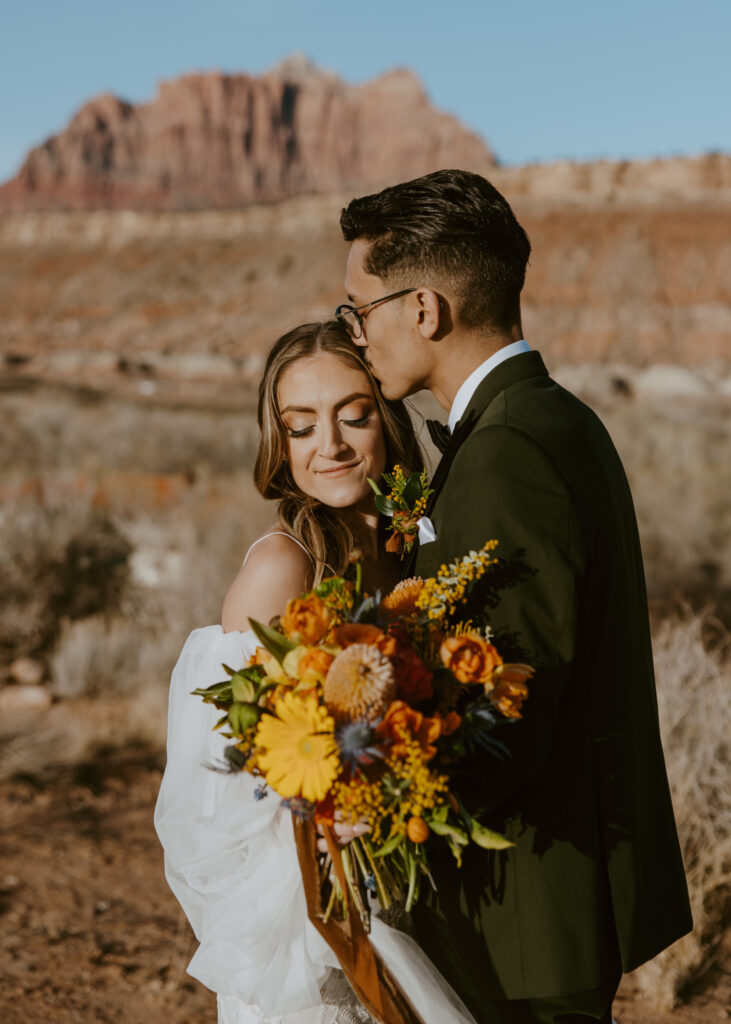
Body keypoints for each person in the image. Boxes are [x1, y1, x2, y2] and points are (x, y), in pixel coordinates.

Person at [335, 169, 693, 1024]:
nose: (357, 336)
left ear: (423, 309)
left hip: (529, 907)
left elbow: (514, 693)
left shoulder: (506, 450)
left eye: (361, 311)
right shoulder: (550, 418)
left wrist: (381, 795)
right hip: (546, 900)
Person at [154, 320, 479, 1024]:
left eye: (353, 417)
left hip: (420, 889)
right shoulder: (281, 568)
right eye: (300, 427)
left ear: (386, 421)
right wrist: (335, 806)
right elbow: (215, 786)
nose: (328, 447)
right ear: (280, 443)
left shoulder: (414, 558)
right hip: (313, 930)